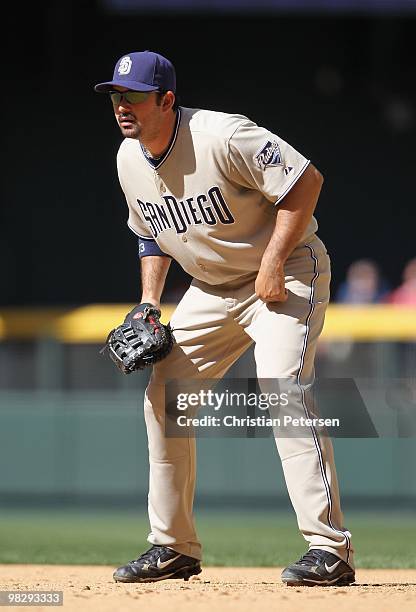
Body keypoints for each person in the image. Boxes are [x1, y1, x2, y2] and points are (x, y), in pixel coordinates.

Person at [94, 50, 354, 587]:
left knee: (282, 387)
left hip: (287, 270)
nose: (124, 106)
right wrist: (149, 303)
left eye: (136, 96)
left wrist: (274, 261)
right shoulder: (128, 157)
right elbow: (150, 232)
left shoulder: (223, 136)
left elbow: (305, 181)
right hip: (211, 288)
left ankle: (331, 550)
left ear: (167, 99)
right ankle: (174, 547)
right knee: (165, 396)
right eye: (118, 96)